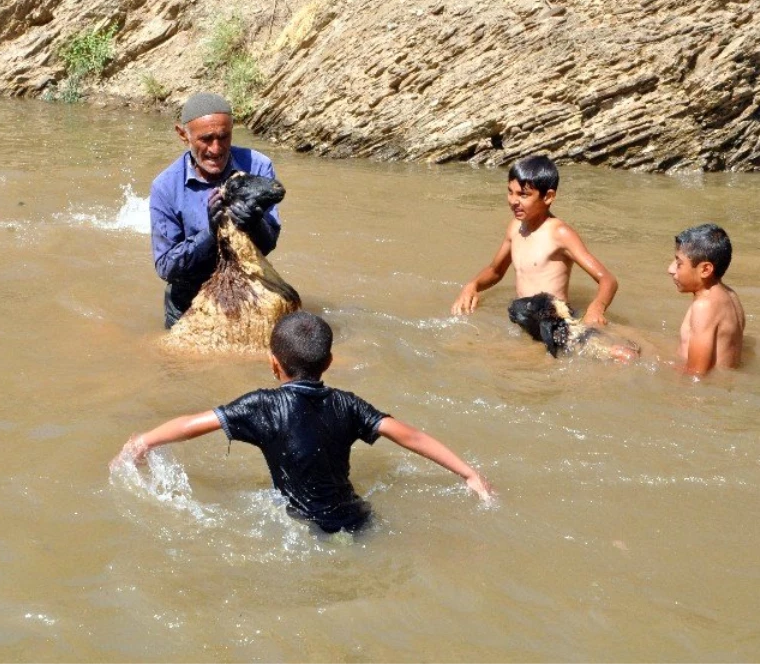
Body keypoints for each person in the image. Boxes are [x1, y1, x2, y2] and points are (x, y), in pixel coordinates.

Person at [115, 311, 493, 534]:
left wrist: (143, 442)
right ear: (328, 363)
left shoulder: (261, 406)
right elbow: (409, 435)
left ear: (273, 363)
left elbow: (191, 424)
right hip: (359, 519)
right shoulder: (348, 404)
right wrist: (469, 474)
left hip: (304, 528)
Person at [150, 92, 281, 328]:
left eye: (224, 137)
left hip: (247, 295)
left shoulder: (258, 166)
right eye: (206, 139)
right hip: (189, 306)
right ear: (183, 135)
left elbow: (269, 243)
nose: (216, 148)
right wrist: (211, 234)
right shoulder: (165, 186)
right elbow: (166, 267)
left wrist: (254, 223)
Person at [451, 155, 618, 326]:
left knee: (622, 353)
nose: (513, 201)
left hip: (556, 322)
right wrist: (473, 285)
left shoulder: (560, 234)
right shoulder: (515, 227)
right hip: (524, 316)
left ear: (548, 197)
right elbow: (496, 270)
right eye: (510, 192)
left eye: (523, 195)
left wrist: (596, 308)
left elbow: (608, 280)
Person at [668, 223, 745, 376]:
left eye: (679, 263)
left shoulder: (704, 307)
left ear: (705, 270)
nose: (670, 269)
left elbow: (696, 375)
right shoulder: (730, 295)